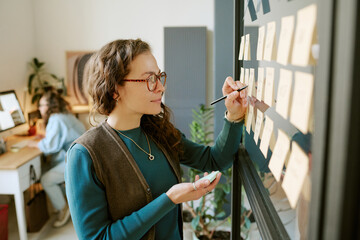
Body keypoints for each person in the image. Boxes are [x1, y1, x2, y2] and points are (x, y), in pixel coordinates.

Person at [65, 39, 248, 239]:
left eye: (160, 77)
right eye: (149, 79)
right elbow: (97, 237)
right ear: (114, 89)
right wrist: (169, 199)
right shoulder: (85, 154)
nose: (161, 87)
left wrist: (234, 116)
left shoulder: (159, 132)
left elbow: (214, 160)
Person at [28, 89, 86, 228]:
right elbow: (59, 138)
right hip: (82, 158)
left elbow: (50, 146)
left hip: (77, 162)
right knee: (48, 169)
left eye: (41, 105)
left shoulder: (56, 119)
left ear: (49, 106)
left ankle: (63, 208)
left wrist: (35, 144)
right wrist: (45, 139)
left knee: (46, 179)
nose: (39, 108)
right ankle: (64, 204)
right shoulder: (65, 114)